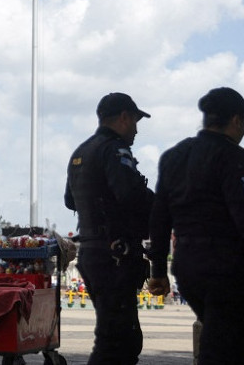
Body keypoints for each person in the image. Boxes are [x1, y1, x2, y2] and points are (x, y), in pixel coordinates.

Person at [146, 87, 244, 364]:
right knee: (223, 349)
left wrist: (158, 269)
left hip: (187, 267)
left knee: (230, 343)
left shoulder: (174, 156)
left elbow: (159, 216)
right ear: (237, 120)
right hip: (225, 269)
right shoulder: (234, 157)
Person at [64, 92, 154, 364]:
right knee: (118, 341)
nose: (137, 129)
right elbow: (128, 193)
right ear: (124, 117)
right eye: (136, 121)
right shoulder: (114, 149)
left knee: (115, 336)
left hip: (92, 251)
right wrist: (163, 205)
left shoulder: (81, 151)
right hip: (114, 254)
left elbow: (70, 200)